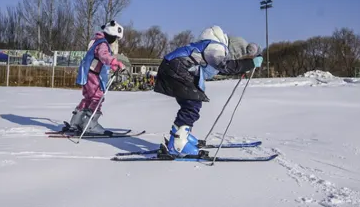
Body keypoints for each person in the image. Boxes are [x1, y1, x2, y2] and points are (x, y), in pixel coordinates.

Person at [153, 25, 264, 157]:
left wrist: (242, 67)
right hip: (177, 69)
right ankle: (177, 144)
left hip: (174, 68)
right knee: (192, 104)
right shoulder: (216, 47)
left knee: (190, 104)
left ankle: (182, 136)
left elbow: (219, 69)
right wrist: (250, 64)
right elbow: (224, 66)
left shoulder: (206, 45)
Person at [64, 20, 126, 134]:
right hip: (93, 75)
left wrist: (113, 66)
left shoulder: (96, 41)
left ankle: (76, 122)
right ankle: (90, 124)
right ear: (111, 35)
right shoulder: (103, 44)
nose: (115, 40)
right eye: (115, 37)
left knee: (88, 98)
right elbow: (104, 56)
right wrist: (116, 63)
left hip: (87, 73)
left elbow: (99, 59)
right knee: (98, 98)